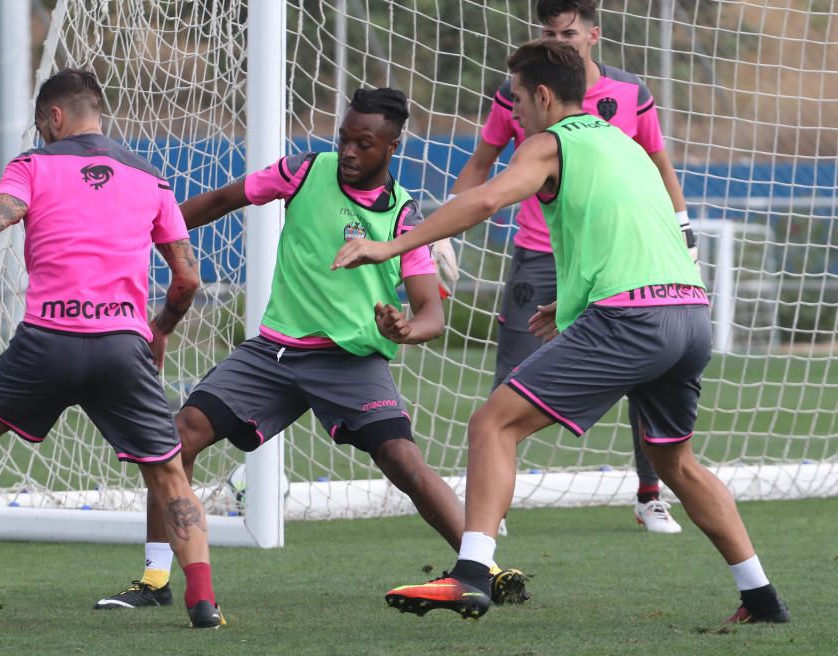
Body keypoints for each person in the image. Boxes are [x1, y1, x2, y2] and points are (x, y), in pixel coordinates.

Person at [333, 41, 789, 625]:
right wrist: (570, 307)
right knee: (677, 464)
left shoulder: (548, 143)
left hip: (631, 321)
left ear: (544, 96)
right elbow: (624, 236)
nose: (513, 109)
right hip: (688, 315)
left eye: (518, 98)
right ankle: (761, 597)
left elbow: (491, 198)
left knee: (491, 423)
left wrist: (389, 245)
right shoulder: (621, 143)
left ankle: (471, 575)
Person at [94, 87, 529, 611]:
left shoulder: (405, 219)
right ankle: (156, 579)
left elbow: (430, 314)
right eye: (344, 138)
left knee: (403, 460)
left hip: (351, 362)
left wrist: (403, 329)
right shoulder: (302, 171)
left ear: (391, 147)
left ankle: (485, 570)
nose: (347, 151)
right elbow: (223, 199)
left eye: (363, 143)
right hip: (273, 355)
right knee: (178, 437)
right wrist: (150, 230)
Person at [0, 69, 225, 629]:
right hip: (121, 349)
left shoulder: (32, 166)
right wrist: (158, 329)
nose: (39, 134)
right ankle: (202, 600)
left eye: (41, 125)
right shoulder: (151, 179)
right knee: (167, 473)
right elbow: (187, 278)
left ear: (54, 118)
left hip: (47, 341)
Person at [432, 0, 694, 533]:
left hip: (611, 258)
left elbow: (656, 164)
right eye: (550, 31)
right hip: (540, 250)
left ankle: (649, 494)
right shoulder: (517, 89)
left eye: (569, 32)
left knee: (642, 372)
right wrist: (442, 237)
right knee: (512, 371)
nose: (561, 40)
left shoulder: (629, 94)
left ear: (593, 34)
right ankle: (491, 507)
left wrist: (682, 231)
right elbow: (482, 166)